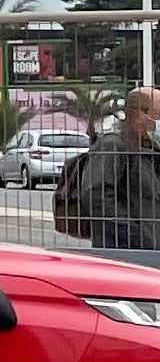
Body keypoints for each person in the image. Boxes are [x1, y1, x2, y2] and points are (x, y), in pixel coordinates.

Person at [53, 89, 160, 253]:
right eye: (158, 114)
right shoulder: (113, 146)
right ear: (137, 113)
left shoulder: (148, 149)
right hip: (127, 253)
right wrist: (138, 237)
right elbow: (97, 196)